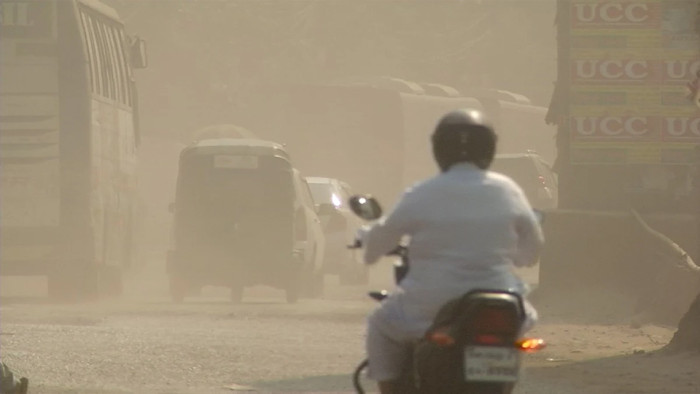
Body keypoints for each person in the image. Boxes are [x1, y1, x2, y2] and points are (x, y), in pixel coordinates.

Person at [356, 108, 544, 394]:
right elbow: (532, 250)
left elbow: (378, 243)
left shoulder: (422, 193)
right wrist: (513, 256)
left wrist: (367, 244)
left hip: (430, 307)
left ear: (439, 148)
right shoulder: (509, 190)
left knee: (380, 323)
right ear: (489, 147)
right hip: (502, 303)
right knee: (522, 324)